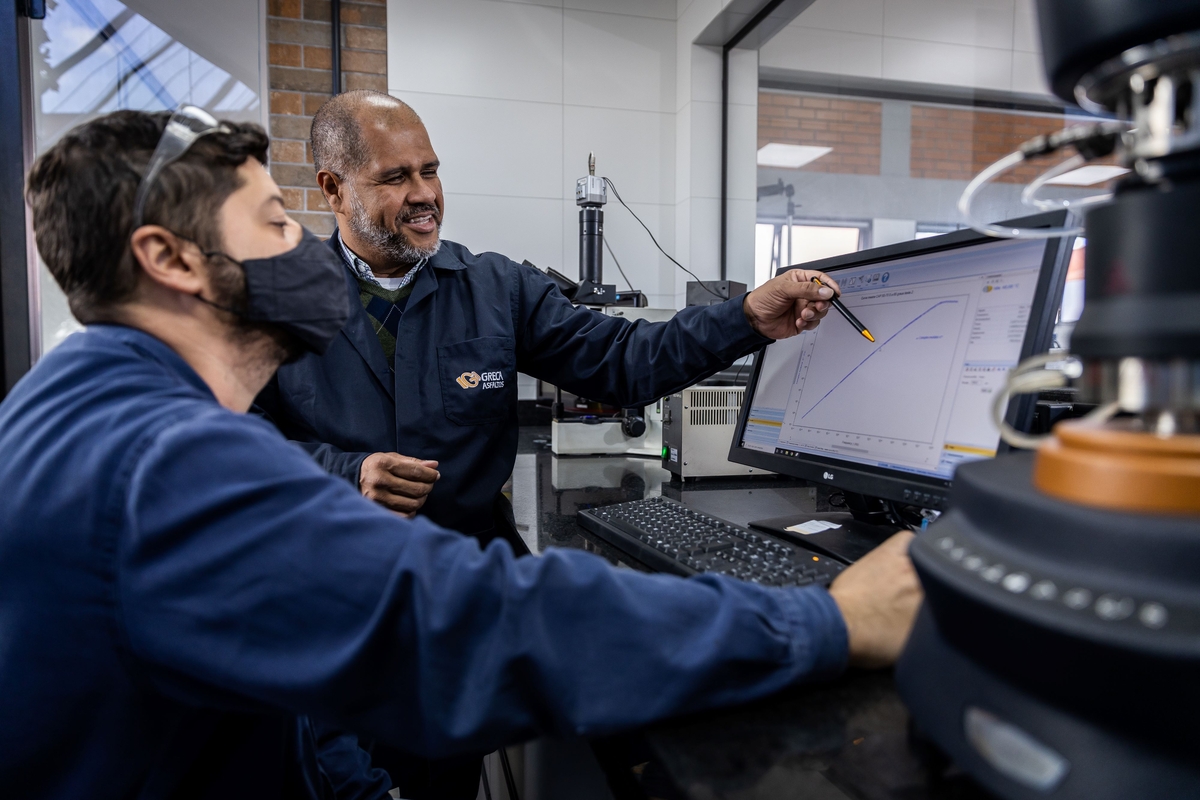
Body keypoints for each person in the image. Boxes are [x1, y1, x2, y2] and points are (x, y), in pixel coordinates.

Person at [0, 108, 921, 800]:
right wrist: (832, 625)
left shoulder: (70, 404)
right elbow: (470, 626)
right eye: (275, 223)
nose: (300, 253)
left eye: (431, 171)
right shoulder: (163, 461)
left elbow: (620, 359)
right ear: (171, 259)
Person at [256, 90, 844, 544]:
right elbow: (227, 443)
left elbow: (625, 361)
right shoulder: (271, 300)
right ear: (334, 189)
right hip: (339, 573)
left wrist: (746, 318)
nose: (425, 195)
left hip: (475, 571)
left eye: (430, 171)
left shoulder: (497, 288)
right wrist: (345, 472)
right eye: (395, 177)